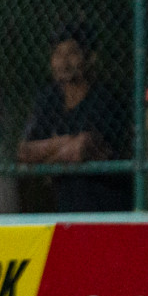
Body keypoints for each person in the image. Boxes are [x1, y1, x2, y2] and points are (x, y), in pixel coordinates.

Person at [16, 24, 130, 211]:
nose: (64, 62)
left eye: (72, 53)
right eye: (58, 54)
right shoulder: (49, 99)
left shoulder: (104, 98)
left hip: (105, 205)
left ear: (89, 57)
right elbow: (24, 152)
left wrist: (45, 161)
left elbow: (81, 148)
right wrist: (68, 141)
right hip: (65, 207)